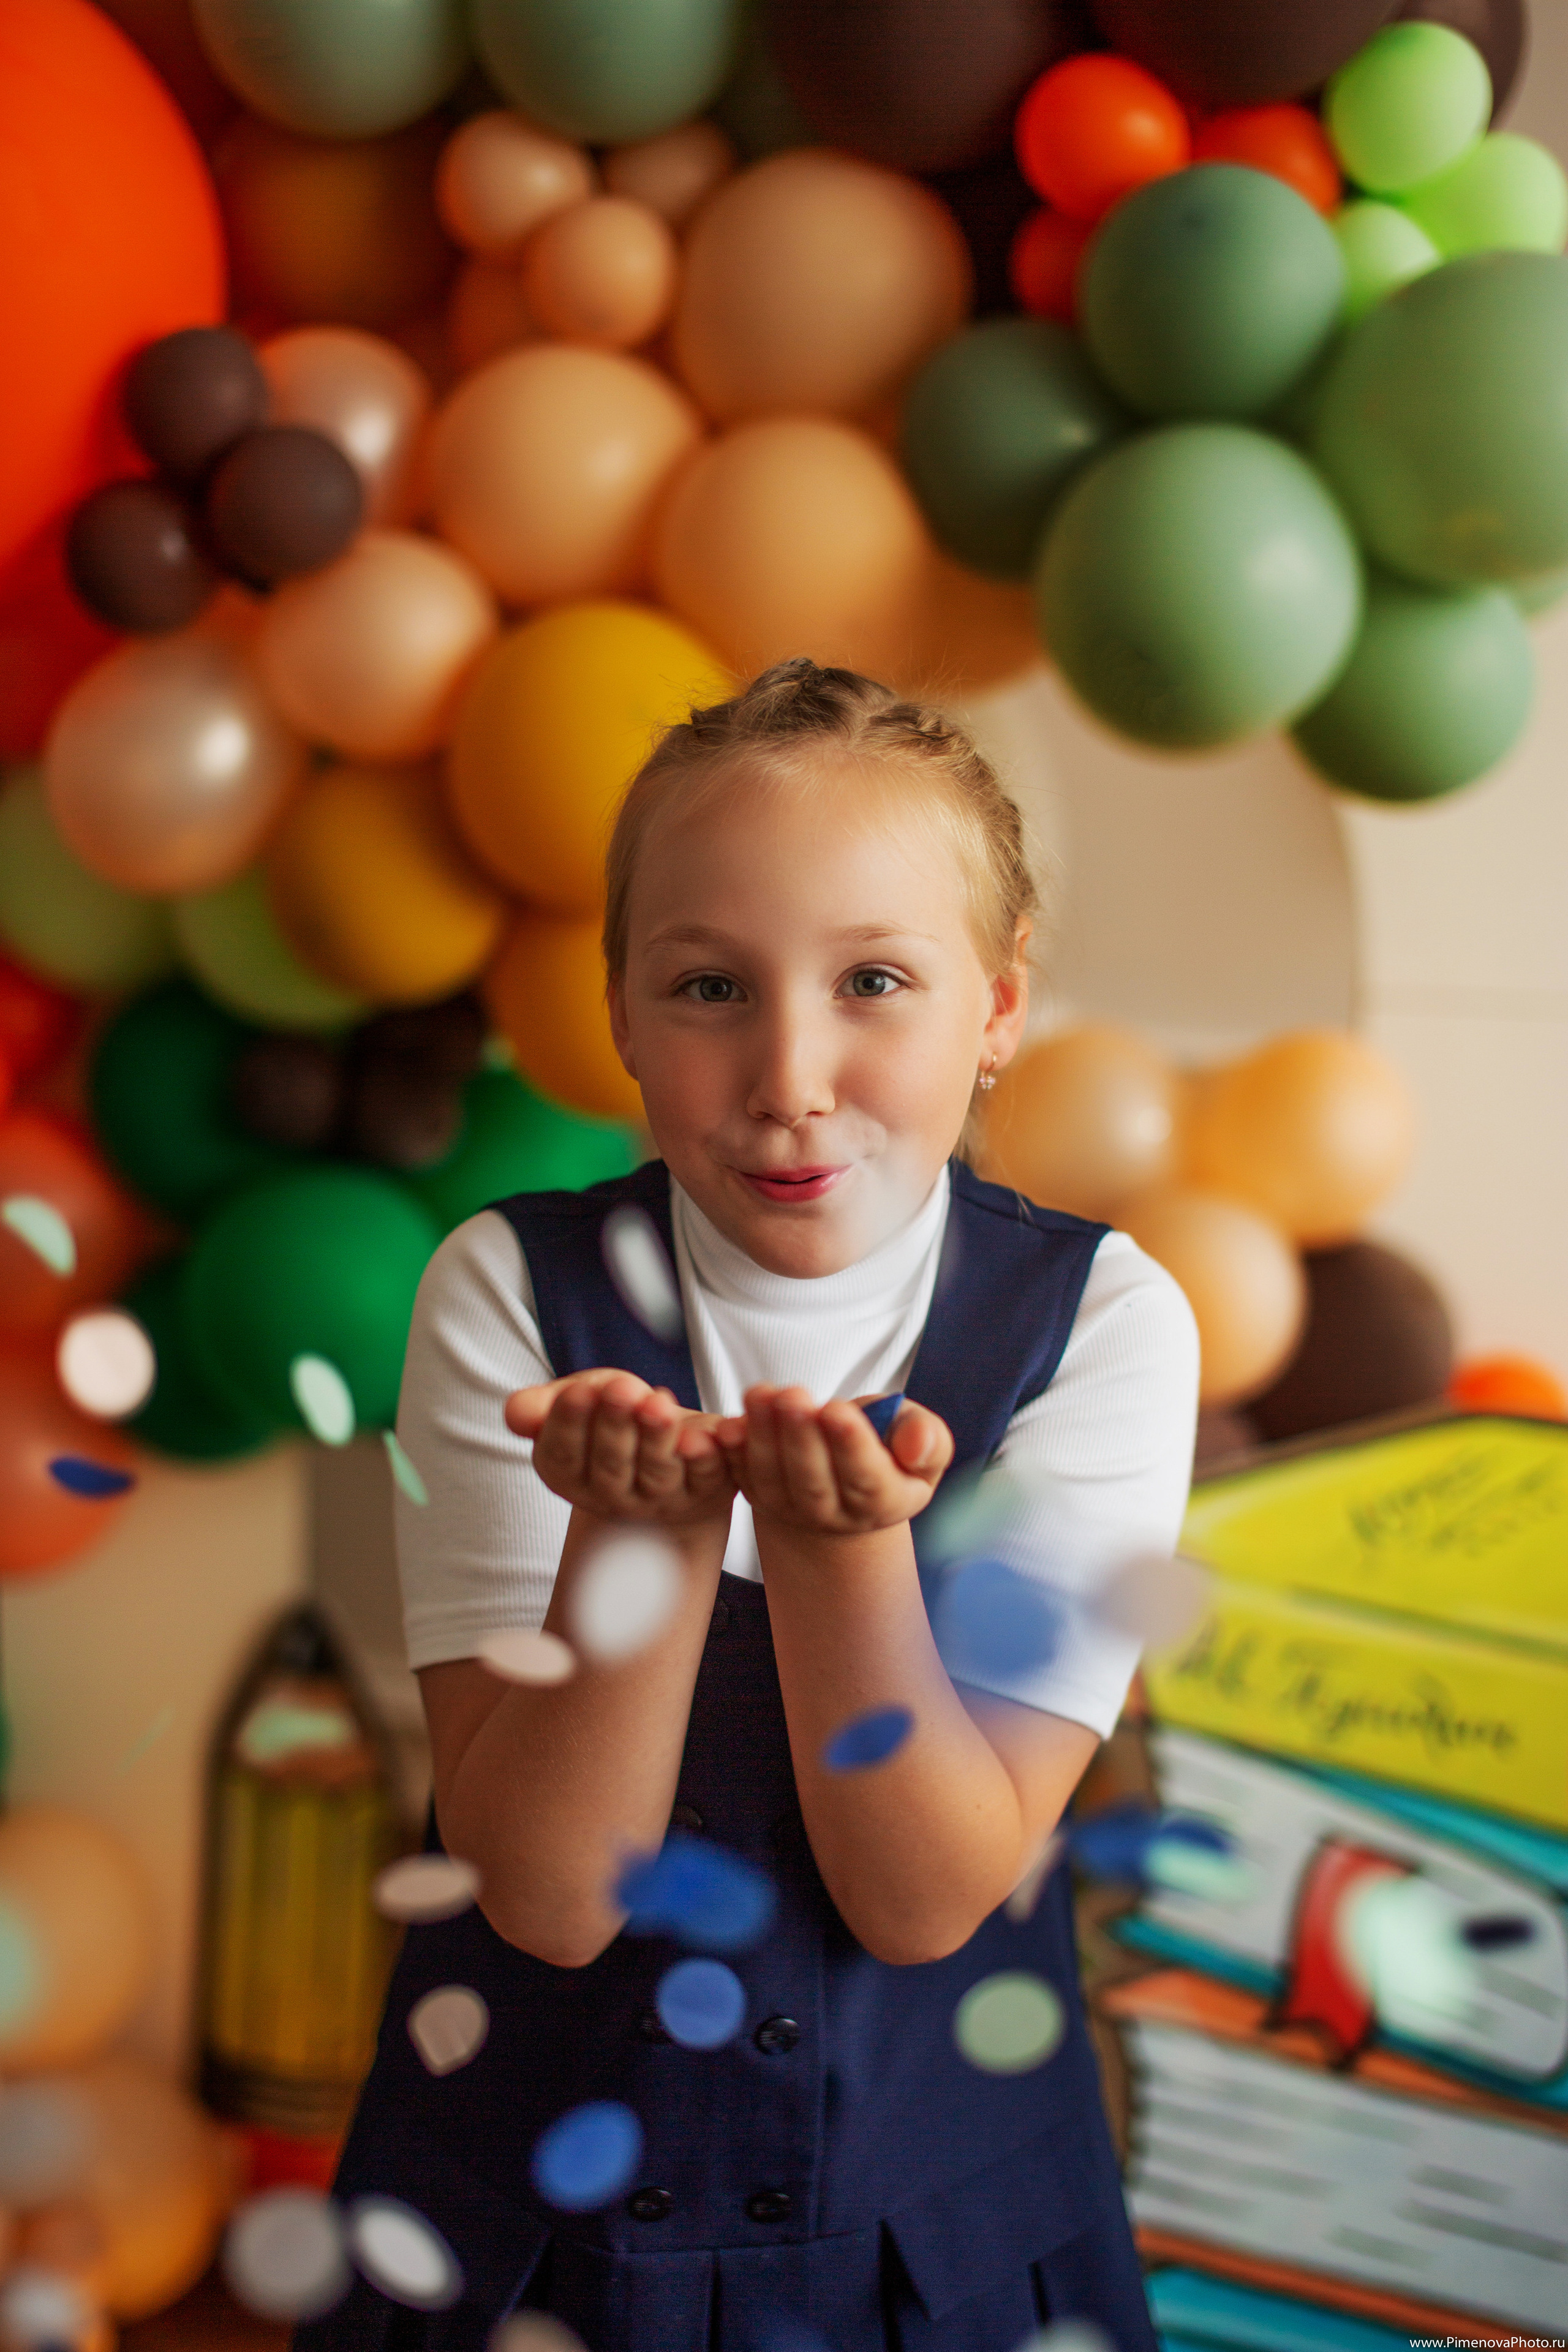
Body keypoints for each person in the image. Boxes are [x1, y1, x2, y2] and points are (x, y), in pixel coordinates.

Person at [300, 659, 1199, 2352]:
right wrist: (634, 1538)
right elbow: (555, 1897)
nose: (791, 1071)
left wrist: (841, 1548)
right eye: (711, 986)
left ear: (998, 1009)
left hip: (930, 2260)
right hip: (524, 2253)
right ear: (623, 1009)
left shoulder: (1108, 1326)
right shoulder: (507, 1292)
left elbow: (924, 1896)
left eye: (874, 980)